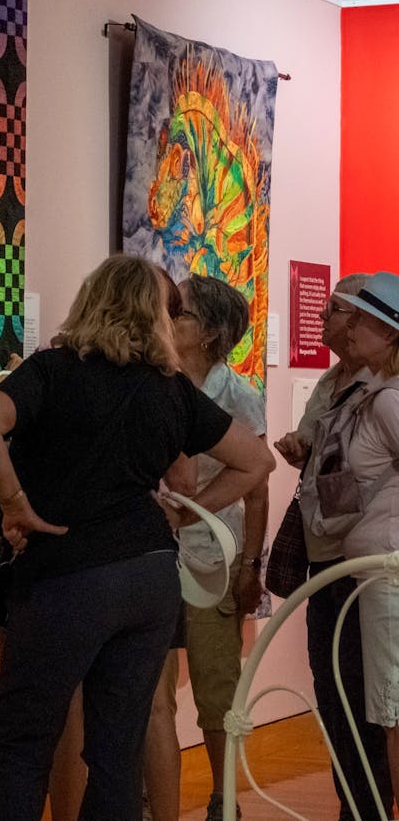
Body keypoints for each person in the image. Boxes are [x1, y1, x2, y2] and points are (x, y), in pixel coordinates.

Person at [0, 253, 275, 821]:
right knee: (117, 750)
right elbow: (255, 462)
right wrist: (183, 514)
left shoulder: (51, 371)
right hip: (149, 577)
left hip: (68, 575)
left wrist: (15, 504)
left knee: (23, 743)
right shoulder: (169, 388)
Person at [275, 273, 393, 821]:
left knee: (370, 702)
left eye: (337, 312)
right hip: (332, 559)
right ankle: (358, 804)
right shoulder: (336, 384)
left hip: (366, 566)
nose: (326, 323)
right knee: (338, 694)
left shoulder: (383, 394)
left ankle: (368, 807)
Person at [167, 273, 269, 821]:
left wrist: (252, 565)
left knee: (214, 688)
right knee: (150, 688)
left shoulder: (239, 395)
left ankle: (220, 796)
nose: (168, 319)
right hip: (155, 556)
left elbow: (257, 489)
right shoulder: (155, 381)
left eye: (178, 314)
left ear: (208, 333)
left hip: (214, 556)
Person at [333, 271, 399, 812]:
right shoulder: (378, 393)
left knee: (393, 712)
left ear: (389, 332)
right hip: (377, 570)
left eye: (360, 319)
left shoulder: (387, 401)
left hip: (389, 575)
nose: (347, 327)